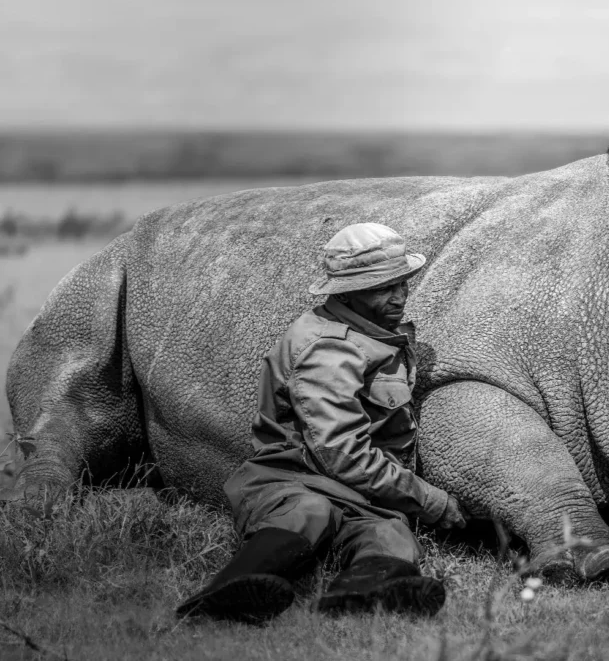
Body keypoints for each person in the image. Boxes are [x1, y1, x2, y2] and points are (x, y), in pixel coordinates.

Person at [176, 222, 468, 623]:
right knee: (308, 513)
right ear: (349, 291)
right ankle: (227, 594)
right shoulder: (328, 349)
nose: (399, 295)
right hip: (294, 479)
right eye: (384, 286)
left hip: (357, 493)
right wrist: (430, 501)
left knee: (389, 533)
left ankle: (362, 595)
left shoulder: (372, 336)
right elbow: (340, 452)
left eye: (403, 283)